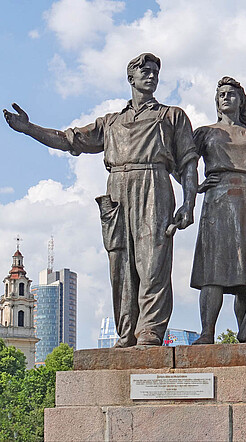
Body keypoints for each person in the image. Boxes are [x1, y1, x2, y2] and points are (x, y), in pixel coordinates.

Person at [3, 53, 198, 347]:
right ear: (130, 78)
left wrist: (189, 202)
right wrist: (30, 129)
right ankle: (126, 331)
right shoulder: (111, 123)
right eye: (144, 71)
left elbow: (188, 163)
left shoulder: (173, 116)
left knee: (153, 262)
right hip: (118, 188)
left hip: (154, 185)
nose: (152, 76)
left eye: (155, 72)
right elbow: (70, 140)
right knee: (120, 264)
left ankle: (150, 331)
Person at [190, 76, 246, 344]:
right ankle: (207, 332)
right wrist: (197, 187)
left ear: (241, 101)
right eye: (222, 94)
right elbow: (182, 162)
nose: (226, 97)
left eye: (232, 94)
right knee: (212, 271)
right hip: (217, 198)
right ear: (217, 102)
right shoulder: (205, 133)